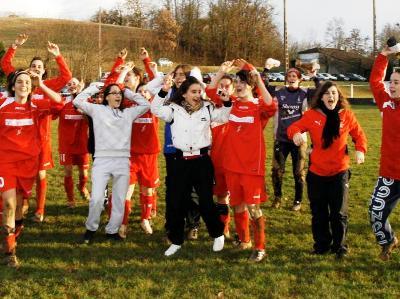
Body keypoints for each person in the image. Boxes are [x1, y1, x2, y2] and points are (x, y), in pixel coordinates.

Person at [151, 75, 231, 256]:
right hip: (180, 162)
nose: (197, 95)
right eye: (193, 92)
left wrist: (227, 103)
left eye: (199, 91)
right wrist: (163, 91)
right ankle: (176, 240)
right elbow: (155, 108)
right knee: (177, 202)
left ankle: (217, 233)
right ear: (184, 94)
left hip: (202, 161)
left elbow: (224, 117)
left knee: (205, 201)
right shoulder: (173, 109)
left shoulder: (208, 108)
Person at [288, 81, 367, 259]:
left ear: (338, 96)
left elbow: (359, 134)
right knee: (319, 213)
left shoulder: (346, 115)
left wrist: (360, 150)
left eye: (334, 93)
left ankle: (340, 247)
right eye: (327, 93)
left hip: (340, 171)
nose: (331, 96)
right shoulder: (311, 115)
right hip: (316, 173)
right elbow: (294, 127)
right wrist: (296, 134)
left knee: (339, 213)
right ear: (321, 97)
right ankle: (321, 245)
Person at [1, 33, 72, 222]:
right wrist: (14, 46)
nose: (36, 69)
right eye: (33, 66)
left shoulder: (48, 85)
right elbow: (6, 66)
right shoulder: (21, 83)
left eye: (39, 67)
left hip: (43, 140)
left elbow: (66, 77)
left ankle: (39, 210)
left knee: (40, 175)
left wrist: (58, 55)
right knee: (21, 178)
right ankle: (21, 206)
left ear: (43, 72)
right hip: (21, 141)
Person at [73, 83, 150, 243]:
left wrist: (128, 92)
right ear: (106, 96)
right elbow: (78, 101)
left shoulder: (128, 113)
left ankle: (112, 230)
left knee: (119, 199)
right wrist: (93, 88)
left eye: (119, 94)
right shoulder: (97, 110)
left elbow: (146, 104)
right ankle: (91, 228)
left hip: (122, 160)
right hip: (102, 160)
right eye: (114, 93)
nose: (118, 96)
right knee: (96, 199)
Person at [0, 70, 62, 267]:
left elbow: (59, 103)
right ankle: (10, 253)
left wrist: (41, 84)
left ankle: (11, 237)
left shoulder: (36, 105)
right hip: (6, 162)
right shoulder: (3, 105)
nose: (24, 85)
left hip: (28, 164)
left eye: (27, 82)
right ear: (12, 86)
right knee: (9, 205)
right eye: (20, 81)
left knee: (19, 207)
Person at [221, 60, 277, 262]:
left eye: (243, 82)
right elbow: (211, 94)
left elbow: (271, 105)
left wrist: (258, 78)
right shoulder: (232, 104)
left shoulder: (259, 106)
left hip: (252, 167)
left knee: (254, 207)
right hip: (231, 165)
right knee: (237, 205)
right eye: (237, 81)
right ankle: (245, 240)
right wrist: (222, 72)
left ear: (252, 86)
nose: (239, 85)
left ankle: (260, 247)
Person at [266, 62, 319, 211]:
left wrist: (314, 77)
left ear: (300, 79)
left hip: (299, 140)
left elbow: (321, 90)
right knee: (277, 171)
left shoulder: (305, 92)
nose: (291, 77)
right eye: (289, 75)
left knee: (299, 172)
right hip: (281, 139)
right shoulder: (278, 91)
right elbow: (261, 86)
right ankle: (277, 197)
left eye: (294, 75)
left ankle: (298, 200)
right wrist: (266, 69)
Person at [368, 45, 400, 261]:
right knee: (375, 212)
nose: (391, 85)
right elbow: (375, 82)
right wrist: (383, 56)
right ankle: (388, 241)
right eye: (391, 82)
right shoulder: (387, 103)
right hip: (389, 173)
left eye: (396, 82)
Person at [205, 61, 236, 238]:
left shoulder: (236, 104)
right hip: (215, 159)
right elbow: (210, 90)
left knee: (239, 198)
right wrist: (221, 71)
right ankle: (224, 227)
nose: (223, 89)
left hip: (234, 159)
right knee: (221, 196)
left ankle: (240, 230)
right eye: (221, 86)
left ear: (232, 89)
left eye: (227, 86)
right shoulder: (212, 105)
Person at [55, 78, 90, 208]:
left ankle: (82, 187)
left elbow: (89, 121)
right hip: (66, 145)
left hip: (82, 144)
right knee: (68, 172)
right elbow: (52, 115)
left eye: (74, 83)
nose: (71, 85)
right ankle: (70, 199)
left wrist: (82, 108)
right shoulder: (62, 102)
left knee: (84, 174)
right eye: (68, 84)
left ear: (80, 85)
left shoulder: (85, 102)